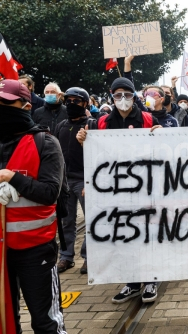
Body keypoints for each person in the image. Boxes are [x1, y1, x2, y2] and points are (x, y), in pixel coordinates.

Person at [76, 77, 162, 304]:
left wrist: (163, 135)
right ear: (111, 96)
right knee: (125, 234)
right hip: (116, 189)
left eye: (127, 94)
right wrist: (84, 141)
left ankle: (151, 279)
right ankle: (132, 282)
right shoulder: (101, 123)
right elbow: (94, 157)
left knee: (147, 233)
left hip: (146, 186)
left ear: (135, 96)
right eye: (117, 95)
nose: (122, 99)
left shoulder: (147, 118)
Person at [0, 79, 67, 333]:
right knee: (5, 320)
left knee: (46, 322)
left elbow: (51, 192)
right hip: (1, 250)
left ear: (26, 106)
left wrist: (12, 178)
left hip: (35, 250)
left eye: (7, 102)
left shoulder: (45, 143)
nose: (1, 107)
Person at [54, 87, 95, 275]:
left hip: (84, 181)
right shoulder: (61, 126)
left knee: (91, 220)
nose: (71, 104)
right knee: (66, 221)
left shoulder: (91, 125)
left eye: (76, 101)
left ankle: (89, 257)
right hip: (64, 181)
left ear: (85, 104)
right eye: (68, 100)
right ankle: (66, 257)